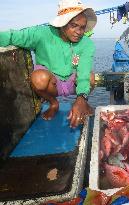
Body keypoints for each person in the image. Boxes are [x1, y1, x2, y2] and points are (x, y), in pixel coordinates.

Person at [0, 0, 97, 128]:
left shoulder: (87, 44)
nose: (79, 32)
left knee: (90, 77)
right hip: (52, 84)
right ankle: (53, 103)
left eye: (82, 27)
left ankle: (82, 103)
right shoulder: (41, 34)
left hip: (73, 81)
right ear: (62, 24)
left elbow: (83, 72)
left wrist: (82, 98)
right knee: (39, 78)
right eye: (74, 25)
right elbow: (13, 36)